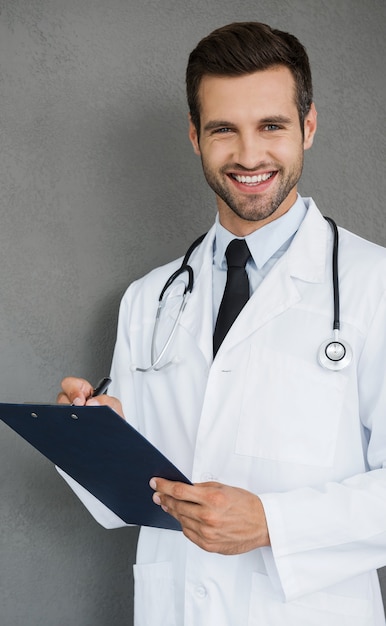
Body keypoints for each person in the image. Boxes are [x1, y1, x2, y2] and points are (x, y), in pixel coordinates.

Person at [57, 22, 386, 626]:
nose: (249, 155)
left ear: (308, 128)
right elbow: (130, 501)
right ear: (194, 136)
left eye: (272, 126)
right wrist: (94, 441)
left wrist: (271, 523)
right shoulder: (148, 298)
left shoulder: (375, 286)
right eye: (223, 130)